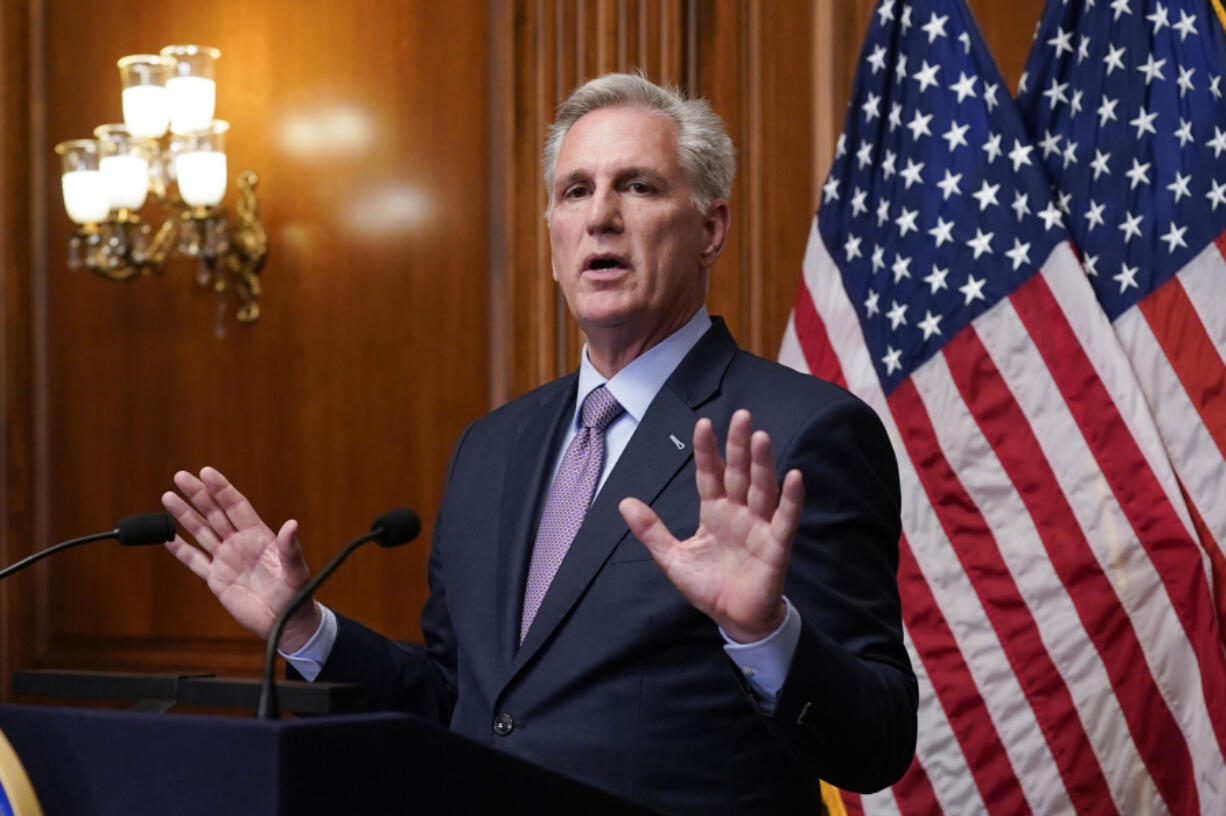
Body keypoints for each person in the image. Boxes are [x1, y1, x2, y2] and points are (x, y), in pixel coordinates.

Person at [162, 73, 917, 814]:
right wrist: (304, 630)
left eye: (640, 187)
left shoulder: (801, 432)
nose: (601, 218)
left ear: (710, 229)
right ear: (554, 239)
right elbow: (462, 704)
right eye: (575, 191)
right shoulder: (493, 447)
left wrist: (764, 633)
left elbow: (877, 744)